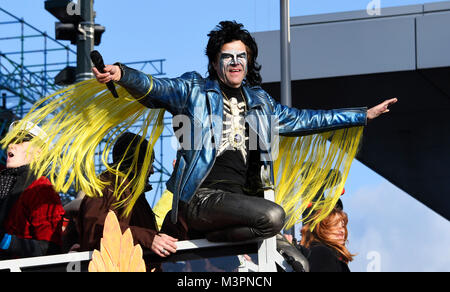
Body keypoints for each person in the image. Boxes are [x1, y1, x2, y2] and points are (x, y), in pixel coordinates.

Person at [92, 20, 397, 243]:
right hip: (201, 198)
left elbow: (305, 119)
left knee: (277, 236)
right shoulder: (194, 90)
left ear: (248, 62)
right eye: (228, 56)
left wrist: (361, 115)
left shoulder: (261, 103)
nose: (235, 62)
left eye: (242, 57)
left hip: (236, 205)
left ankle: (207, 238)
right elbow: (157, 87)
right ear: (215, 62)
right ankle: (198, 228)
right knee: (274, 216)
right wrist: (122, 73)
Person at [77, 132, 178, 265]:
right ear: (136, 162)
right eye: (149, 163)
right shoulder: (105, 188)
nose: (152, 171)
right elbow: (99, 232)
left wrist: (180, 186)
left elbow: (155, 239)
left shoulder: (134, 196)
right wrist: (147, 238)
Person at [0, 121, 65, 259]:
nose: (11, 145)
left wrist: (6, 241)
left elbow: (50, 248)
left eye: (20, 141)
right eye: (10, 140)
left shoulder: (42, 188)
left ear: (38, 153)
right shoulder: (4, 180)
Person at [300, 199, 354, 272]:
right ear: (321, 228)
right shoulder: (322, 252)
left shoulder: (332, 255)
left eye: (343, 226)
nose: (342, 230)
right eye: (335, 225)